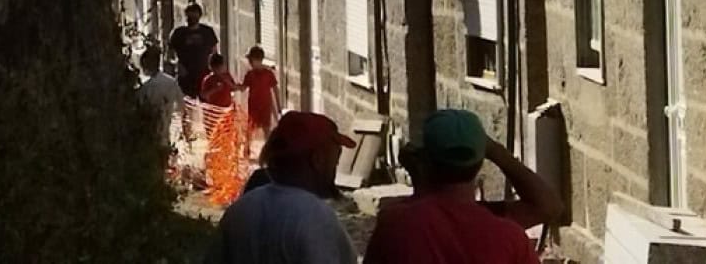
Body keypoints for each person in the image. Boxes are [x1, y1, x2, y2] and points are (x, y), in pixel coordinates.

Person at [363, 109, 559, 263]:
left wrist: (420, 180)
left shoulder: (396, 227)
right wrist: (495, 151)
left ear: (425, 159)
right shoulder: (508, 237)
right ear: (481, 161)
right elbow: (549, 207)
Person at [204, 111, 358, 264]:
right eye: (335, 157)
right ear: (317, 160)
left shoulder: (240, 210)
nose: (336, 165)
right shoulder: (316, 217)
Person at [135, 46, 183, 148]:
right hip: (167, 133)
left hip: (149, 135)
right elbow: (180, 106)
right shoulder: (171, 82)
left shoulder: (146, 88)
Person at [169, 2, 219, 99]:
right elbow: (170, 53)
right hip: (185, 75)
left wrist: (214, 70)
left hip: (204, 74)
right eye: (189, 15)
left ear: (199, 16)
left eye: (194, 15)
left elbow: (214, 52)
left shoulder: (207, 32)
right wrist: (177, 65)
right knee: (186, 103)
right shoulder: (179, 33)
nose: (191, 19)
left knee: (205, 103)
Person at [238, 45, 281, 152]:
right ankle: (246, 149)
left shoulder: (268, 74)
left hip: (265, 106)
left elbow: (275, 89)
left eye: (251, 61)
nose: (250, 63)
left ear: (257, 60)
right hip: (253, 105)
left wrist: (278, 105)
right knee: (250, 128)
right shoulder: (250, 75)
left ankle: (269, 151)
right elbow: (243, 88)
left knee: (266, 129)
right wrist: (233, 86)